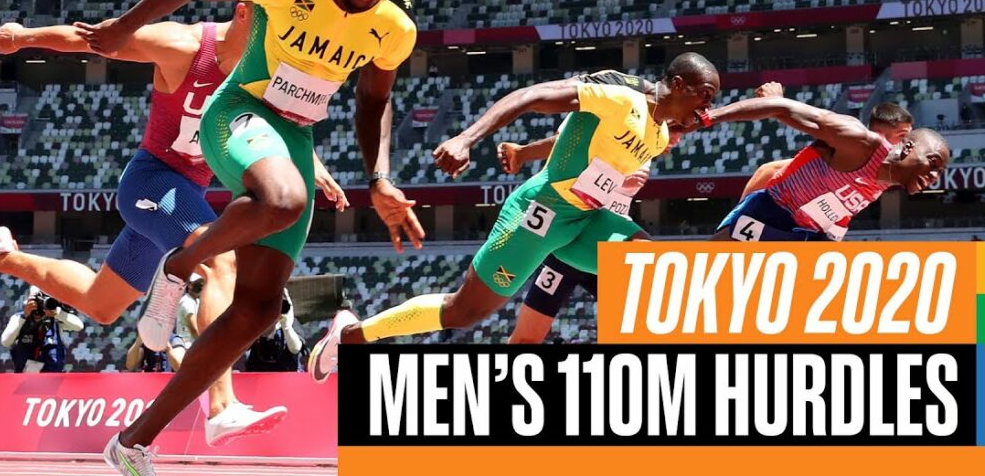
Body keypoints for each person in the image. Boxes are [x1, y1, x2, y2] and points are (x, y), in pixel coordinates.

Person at [77, 0, 425, 474]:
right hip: (239, 111)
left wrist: (379, 178)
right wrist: (122, 27)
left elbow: (372, 101)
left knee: (258, 310)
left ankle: (133, 442)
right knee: (284, 199)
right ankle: (180, 264)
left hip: (294, 135)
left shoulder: (395, 28)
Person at [0, 3, 336, 445]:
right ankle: (221, 407)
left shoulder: (263, 67)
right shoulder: (183, 45)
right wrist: (25, 37)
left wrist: (310, 163)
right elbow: (95, 39)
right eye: (271, 23)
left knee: (100, 302)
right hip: (151, 182)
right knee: (222, 263)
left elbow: (279, 124)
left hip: (183, 196)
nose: (279, 36)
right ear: (244, 12)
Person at [307, 54, 719, 373]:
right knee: (462, 312)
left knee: (648, 264)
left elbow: (573, 144)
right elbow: (530, 96)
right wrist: (466, 139)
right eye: (704, 95)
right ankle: (352, 335)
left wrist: (525, 153)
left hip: (585, 221)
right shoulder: (620, 96)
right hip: (540, 214)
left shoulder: (659, 134)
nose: (707, 108)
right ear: (677, 85)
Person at [496, 121, 687, 344]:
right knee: (525, 340)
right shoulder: (616, 121)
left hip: (607, 244)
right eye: (676, 130)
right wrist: (616, 179)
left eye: (682, 133)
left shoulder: (650, 142)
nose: (677, 140)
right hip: (572, 238)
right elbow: (562, 159)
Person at [708, 95, 950, 242]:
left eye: (939, 172)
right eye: (933, 164)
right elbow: (768, 169)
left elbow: (837, 210)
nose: (934, 177)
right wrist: (708, 118)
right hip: (773, 212)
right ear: (907, 147)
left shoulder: (887, 180)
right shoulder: (860, 144)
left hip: (806, 234)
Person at [739, 101, 914, 198]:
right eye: (902, 136)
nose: (907, 142)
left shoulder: (896, 164)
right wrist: (739, 216)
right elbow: (768, 170)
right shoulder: (850, 150)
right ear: (880, 134)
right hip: (790, 213)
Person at [0, 287, 84, 373]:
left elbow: (79, 326)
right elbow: (5, 342)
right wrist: (24, 317)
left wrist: (59, 314)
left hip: (52, 376)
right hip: (26, 377)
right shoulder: (19, 318)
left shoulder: (56, 319)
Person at [244, 290, 306, 372]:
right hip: (257, 373)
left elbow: (296, 349)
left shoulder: (291, 322)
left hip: (287, 373)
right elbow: (244, 347)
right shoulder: (256, 324)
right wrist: (259, 326)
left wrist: (286, 327)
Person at [169, 274, 204, 370]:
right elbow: (194, 328)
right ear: (189, 285)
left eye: (201, 283)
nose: (200, 285)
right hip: (187, 347)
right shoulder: (187, 301)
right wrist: (205, 343)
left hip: (193, 346)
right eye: (196, 283)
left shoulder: (196, 301)